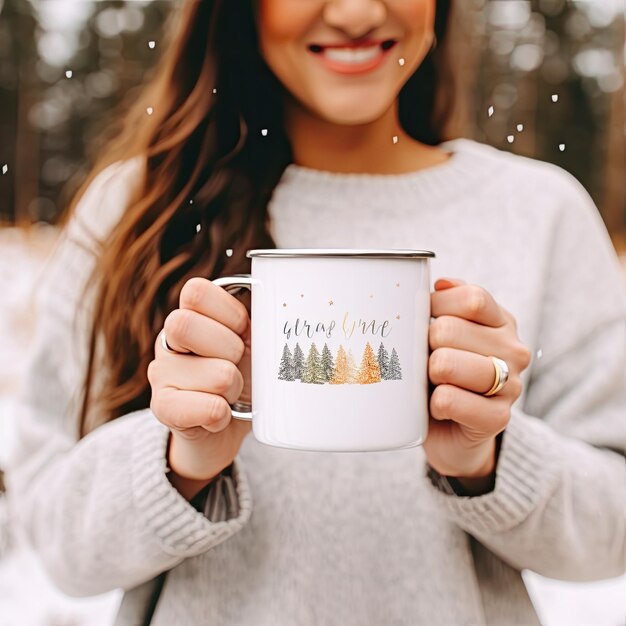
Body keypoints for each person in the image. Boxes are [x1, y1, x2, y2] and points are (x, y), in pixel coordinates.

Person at [6, 1, 626, 625]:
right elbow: (56, 543)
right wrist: (179, 458)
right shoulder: (137, 210)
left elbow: (616, 530)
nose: (356, 12)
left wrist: (487, 461)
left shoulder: (539, 212)